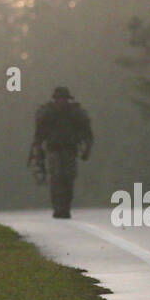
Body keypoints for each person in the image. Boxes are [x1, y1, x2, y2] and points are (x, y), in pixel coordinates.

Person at [30, 86, 93, 219]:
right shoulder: (48, 113)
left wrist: (87, 149)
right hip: (53, 150)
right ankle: (58, 208)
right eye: (59, 99)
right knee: (56, 178)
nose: (61, 101)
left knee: (68, 179)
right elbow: (39, 134)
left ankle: (65, 207)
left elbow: (87, 133)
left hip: (70, 150)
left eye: (63, 99)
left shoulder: (75, 113)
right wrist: (38, 149)